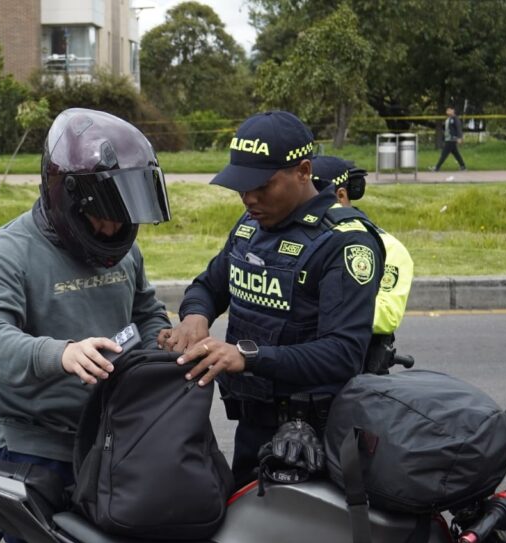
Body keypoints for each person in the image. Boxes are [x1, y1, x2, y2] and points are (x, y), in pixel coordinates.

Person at [0, 108, 173, 543]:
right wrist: (59, 353)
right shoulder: (9, 252)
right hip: (36, 447)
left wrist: (164, 337)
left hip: (113, 437)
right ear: (67, 197)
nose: (112, 229)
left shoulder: (124, 248)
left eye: (122, 217)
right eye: (102, 216)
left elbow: (145, 310)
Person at [158, 111, 383, 488]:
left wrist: (247, 356)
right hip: (253, 426)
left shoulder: (345, 242)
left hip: (314, 440)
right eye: (241, 187)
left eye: (262, 186)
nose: (249, 198)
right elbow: (209, 286)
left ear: (303, 171)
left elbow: (343, 354)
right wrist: (196, 317)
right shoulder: (250, 226)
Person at [312, 155, 415, 374]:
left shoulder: (387, 246)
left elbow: (386, 316)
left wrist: (317, 308)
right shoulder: (300, 236)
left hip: (355, 373)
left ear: (341, 196)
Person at [433, 106, 466, 172]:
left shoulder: (455, 119)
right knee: (456, 154)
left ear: (453, 110)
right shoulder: (448, 119)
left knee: (444, 154)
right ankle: (463, 166)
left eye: (449, 110)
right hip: (448, 139)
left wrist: (459, 137)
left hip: (451, 139)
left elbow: (458, 128)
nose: (447, 111)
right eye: (447, 110)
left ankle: (437, 167)